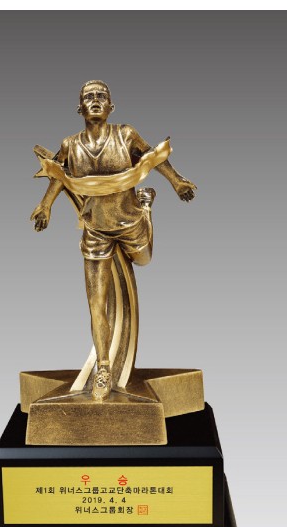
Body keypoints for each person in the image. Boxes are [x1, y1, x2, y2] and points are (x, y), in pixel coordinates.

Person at [31, 80, 197, 400]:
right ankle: (104, 367)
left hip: (129, 221)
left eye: (101, 96)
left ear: (111, 107)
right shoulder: (70, 144)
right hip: (95, 229)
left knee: (144, 259)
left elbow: (152, 158)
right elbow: (58, 175)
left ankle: (147, 207)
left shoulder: (125, 134)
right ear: (80, 108)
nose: (95, 100)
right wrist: (45, 206)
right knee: (97, 302)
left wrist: (177, 182)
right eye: (88, 97)